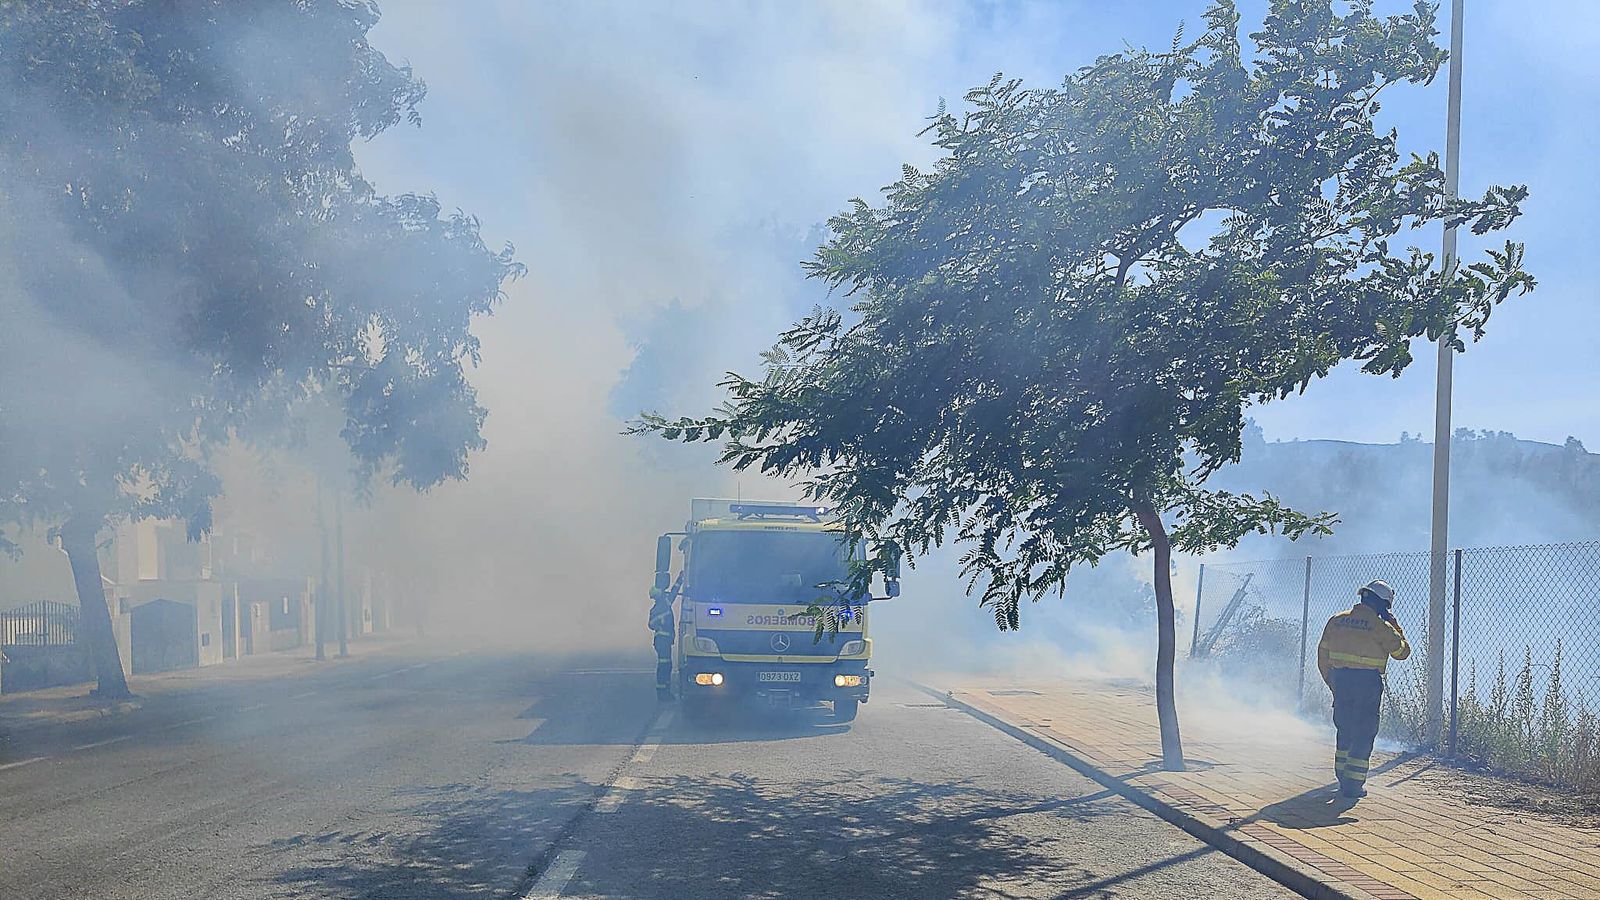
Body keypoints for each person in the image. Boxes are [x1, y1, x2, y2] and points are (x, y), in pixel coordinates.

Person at [1316, 579, 1411, 799]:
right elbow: (1402, 653)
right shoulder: (1380, 627)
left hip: (1340, 681)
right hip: (1367, 684)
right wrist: (1394, 625)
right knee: (1364, 733)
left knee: (1345, 730)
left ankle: (1342, 778)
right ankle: (1353, 785)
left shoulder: (1337, 621)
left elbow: (1323, 655)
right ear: (1382, 605)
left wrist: (1332, 683)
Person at [648, 584, 676, 702]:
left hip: (665, 641)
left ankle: (666, 691)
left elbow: (674, 592)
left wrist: (680, 579)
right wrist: (660, 620)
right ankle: (662, 693)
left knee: (667, 666)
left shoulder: (664, 604)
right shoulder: (659, 608)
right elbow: (650, 624)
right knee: (664, 666)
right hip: (662, 641)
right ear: (659, 595)